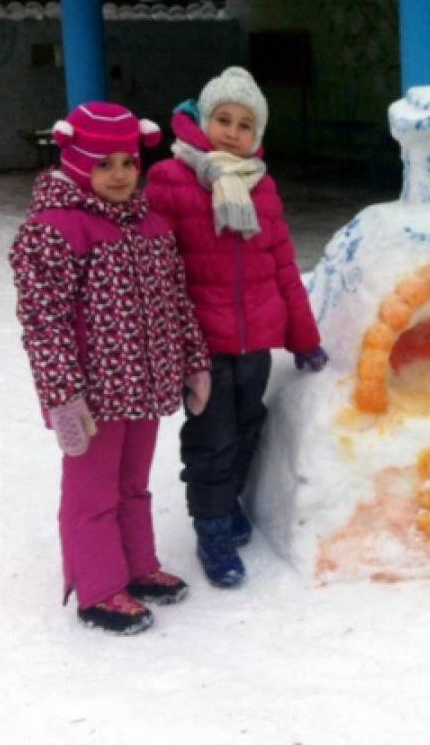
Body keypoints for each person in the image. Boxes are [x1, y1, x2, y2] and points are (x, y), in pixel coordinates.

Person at [9, 102, 211, 635]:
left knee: (134, 484)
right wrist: (63, 398)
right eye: (104, 164)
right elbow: (43, 324)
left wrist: (193, 363)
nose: (119, 175)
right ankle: (99, 590)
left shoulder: (151, 225)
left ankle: (137, 566)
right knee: (92, 491)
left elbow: (177, 300)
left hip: (145, 385)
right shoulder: (53, 232)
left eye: (127, 161)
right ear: (75, 161)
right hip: (92, 397)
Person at [146, 66, 327, 588]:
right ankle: (212, 526)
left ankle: (227, 503)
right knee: (211, 437)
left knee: (249, 425)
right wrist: (171, 342)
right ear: (204, 121)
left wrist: (305, 338)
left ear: (258, 136)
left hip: (254, 344)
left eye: (245, 125)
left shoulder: (261, 187)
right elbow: (160, 269)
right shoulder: (172, 180)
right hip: (201, 345)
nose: (231, 131)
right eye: (222, 119)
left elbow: (284, 266)